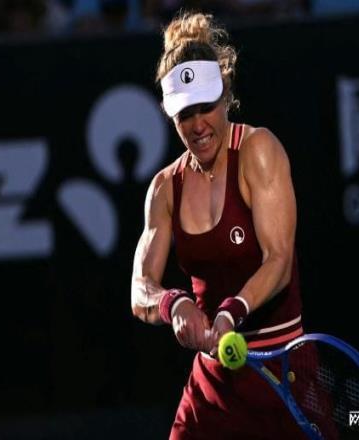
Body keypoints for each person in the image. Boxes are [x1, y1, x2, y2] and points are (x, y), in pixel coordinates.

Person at [131, 11, 308, 439]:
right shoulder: (165, 188)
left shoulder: (258, 150)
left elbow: (279, 260)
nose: (198, 125)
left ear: (226, 92)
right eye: (184, 113)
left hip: (282, 373)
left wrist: (232, 310)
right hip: (213, 387)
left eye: (206, 107)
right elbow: (140, 289)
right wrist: (172, 303)